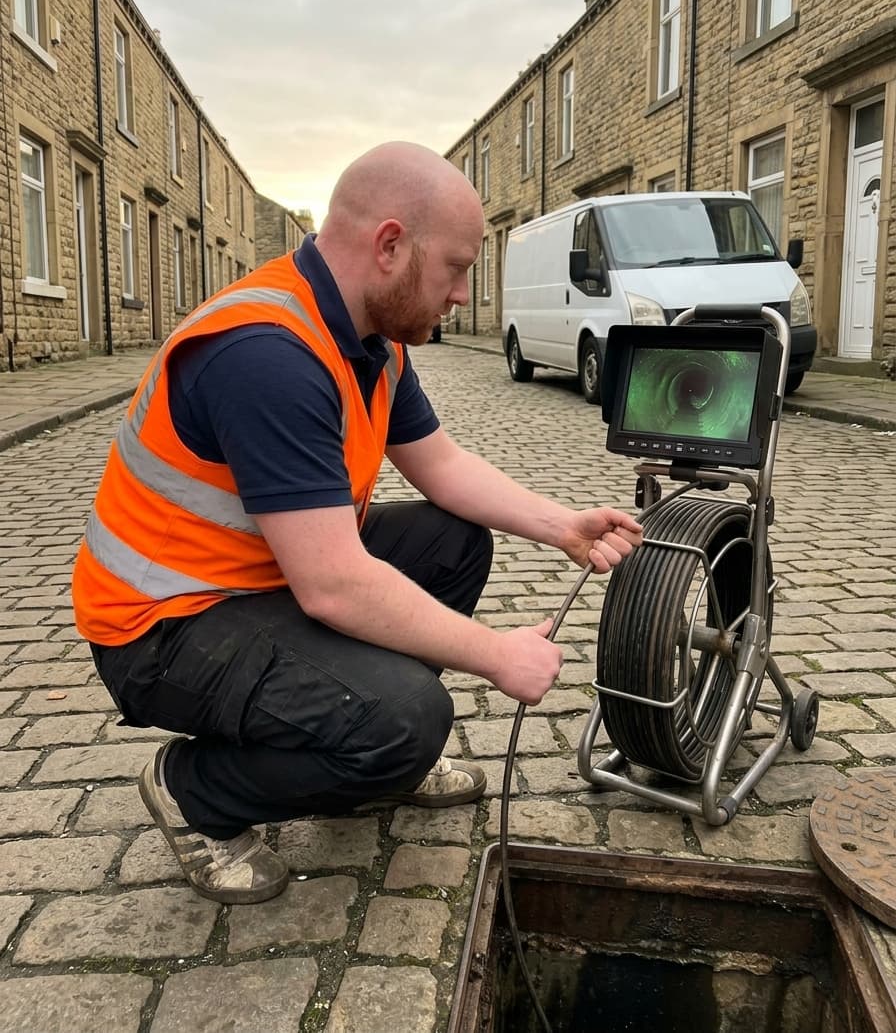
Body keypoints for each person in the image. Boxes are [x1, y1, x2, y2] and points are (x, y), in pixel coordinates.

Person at [72, 141, 642, 906]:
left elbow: (440, 466)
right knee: (410, 719)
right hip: (163, 625)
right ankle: (193, 789)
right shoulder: (266, 354)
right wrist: (496, 656)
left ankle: (365, 742)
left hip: (261, 579)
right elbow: (336, 583)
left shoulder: (369, 341)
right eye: (456, 268)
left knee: (453, 541)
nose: (464, 296)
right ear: (390, 246)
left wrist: (560, 525)